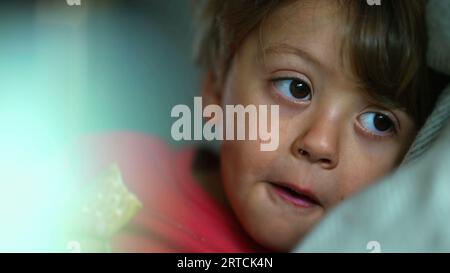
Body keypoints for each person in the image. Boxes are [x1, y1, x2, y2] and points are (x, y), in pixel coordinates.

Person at [70, 0, 444, 252]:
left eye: (378, 122)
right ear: (218, 83)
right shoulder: (110, 168)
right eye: (296, 88)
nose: (319, 144)